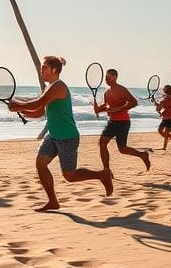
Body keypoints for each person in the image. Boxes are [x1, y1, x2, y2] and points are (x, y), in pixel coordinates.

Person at [8, 55, 113, 212]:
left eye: (44, 67)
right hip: (53, 136)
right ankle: (53, 201)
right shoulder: (49, 87)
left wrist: (19, 106)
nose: (41, 70)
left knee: (70, 176)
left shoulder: (59, 87)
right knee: (40, 164)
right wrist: (21, 110)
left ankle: (101, 175)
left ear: (54, 70)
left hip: (68, 138)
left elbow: (38, 103)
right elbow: (39, 111)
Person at [94, 69, 150, 172]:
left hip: (123, 122)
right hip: (112, 122)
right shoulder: (107, 92)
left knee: (122, 149)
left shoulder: (121, 89)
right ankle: (107, 171)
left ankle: (143, 155)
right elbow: (106, 106)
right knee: (102, 143)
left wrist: (118, 109)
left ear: (115, 77)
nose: (106, 78)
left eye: (108, 76)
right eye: (105, 76)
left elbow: (133, 102)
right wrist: (98, 109)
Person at [155, 85, 171, 151]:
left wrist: (156, 104)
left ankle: (164, 147)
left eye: (164, 88)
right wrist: (157, 104)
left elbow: (160, 106)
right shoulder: (169, 97)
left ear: (166, 90)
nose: (163, 89)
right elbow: (163, 106)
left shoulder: (169, 98)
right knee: (160, 130)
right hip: (166, 118)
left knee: (166, 132)